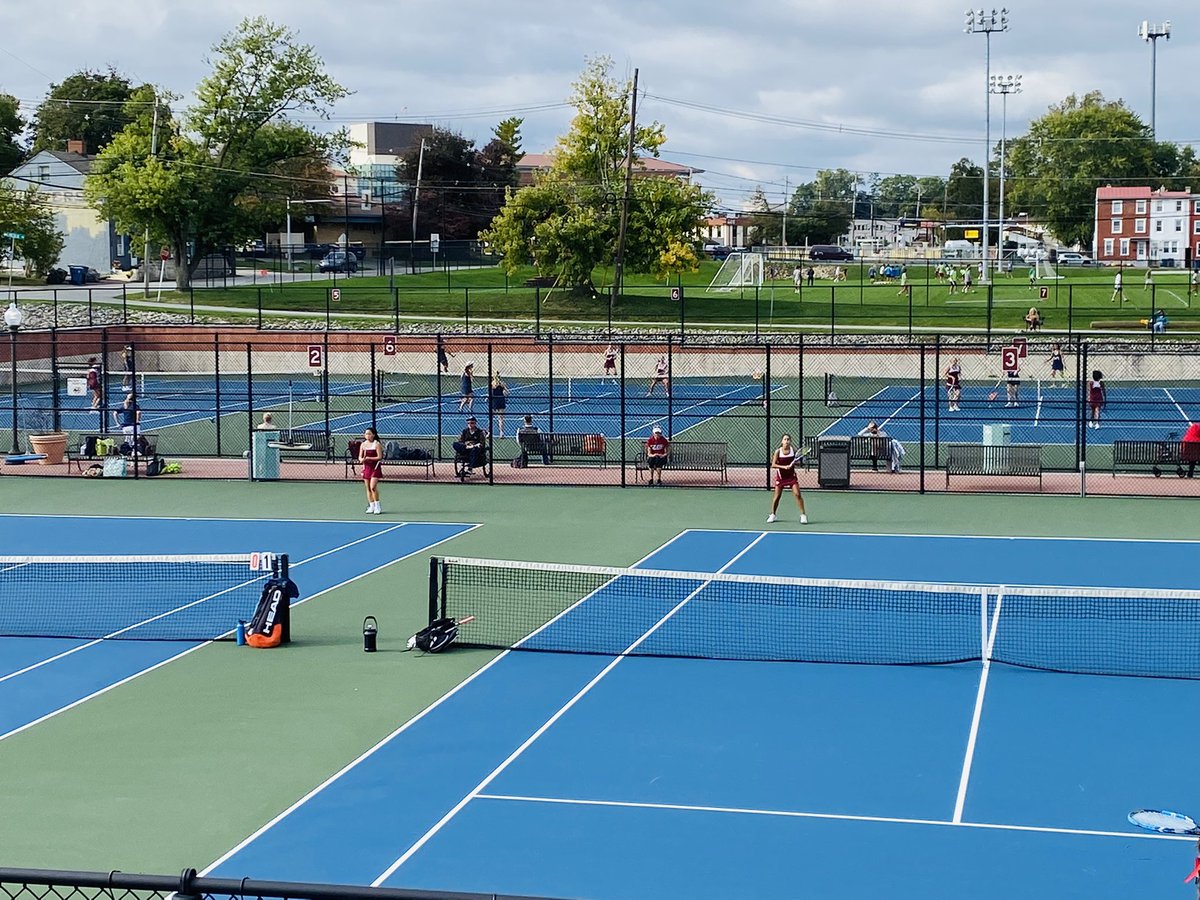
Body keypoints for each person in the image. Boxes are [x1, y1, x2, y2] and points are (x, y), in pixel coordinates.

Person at [767, 434, 807, 524]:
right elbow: (773, 464)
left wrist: (794, 464)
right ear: (782, 441)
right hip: (781, 477)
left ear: (790, 441)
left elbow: (798, 463)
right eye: (785, 439)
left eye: (788, 439)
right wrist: (784, 467)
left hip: (791, 477)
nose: (786, 441)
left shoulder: (793, 451)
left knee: (797, 494)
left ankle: (803, 515)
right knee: (777, 497)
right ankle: (773, 514)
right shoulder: (778, 452)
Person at [358, 426, 383, 514]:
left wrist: (369, 457)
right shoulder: (363, 444)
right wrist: (361, 459)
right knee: (368, 488)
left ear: (373, 435)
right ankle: (371, 506)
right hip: (366, 468)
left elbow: (379, 457)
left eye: (369, 434)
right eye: (366, 434)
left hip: (375, 468)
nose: (367, 436)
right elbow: (360, 457)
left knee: (373, 487)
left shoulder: (377, 444)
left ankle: (377, 506)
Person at [489, 373, 508, 438]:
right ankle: (501, 433)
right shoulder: (502, 384)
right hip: (501, 401)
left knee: (491, 418)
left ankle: (489, 433)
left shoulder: (492, 384)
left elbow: (490, 393)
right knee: (500, 418)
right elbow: (506, 393)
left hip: (494, 402)